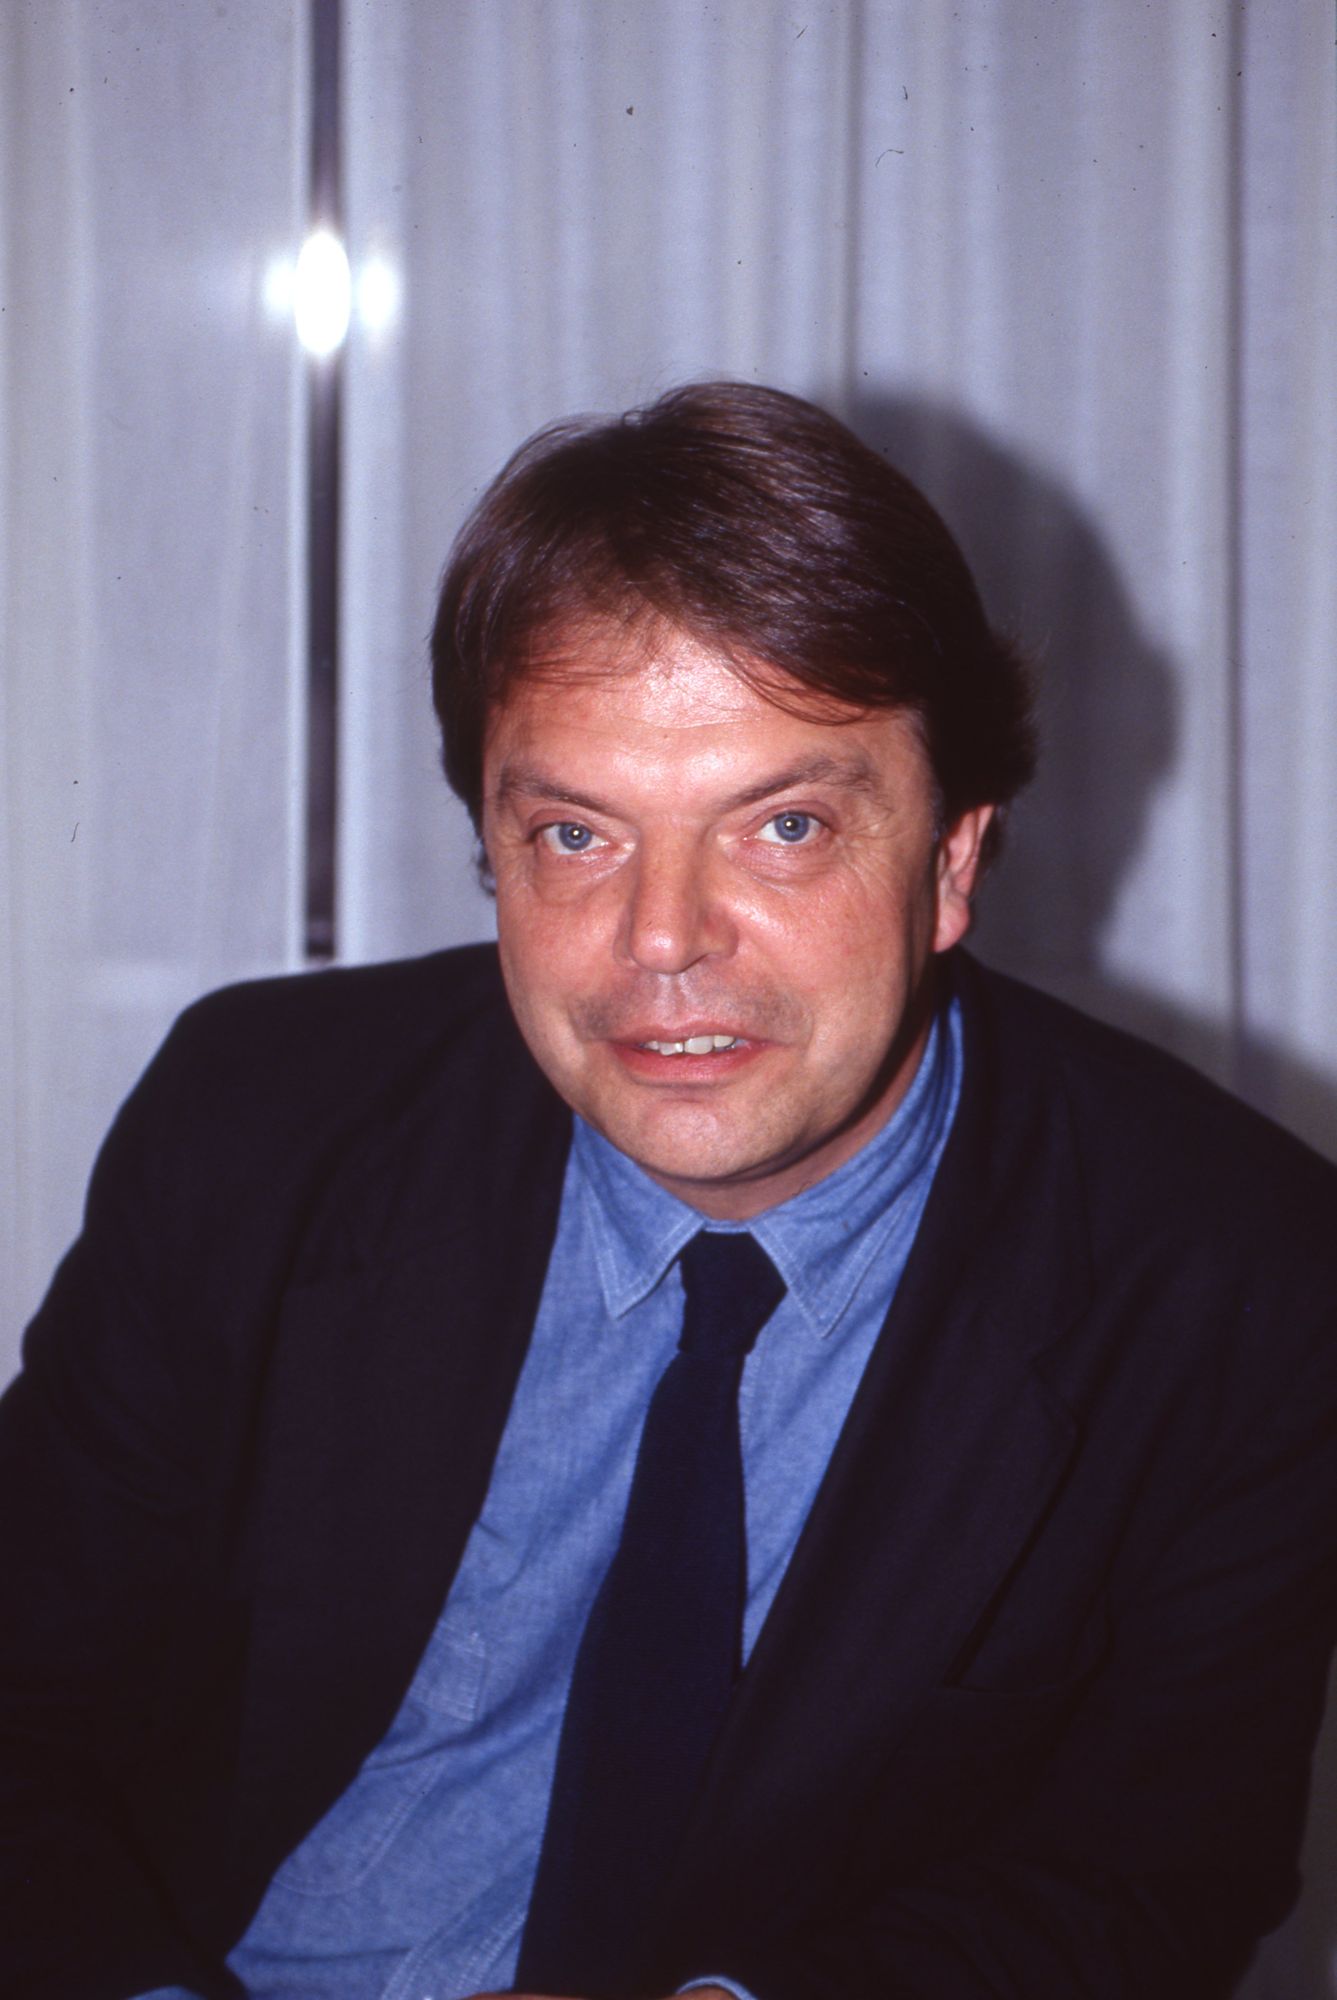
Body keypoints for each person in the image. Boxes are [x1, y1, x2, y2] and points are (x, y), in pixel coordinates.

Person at [3, 382, 1336, 2000]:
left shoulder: (1240, 1279)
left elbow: (1146, 1877)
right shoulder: (265, 1119)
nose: (661, 939)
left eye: (784, 826)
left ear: (950, 862)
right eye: (576, 835)